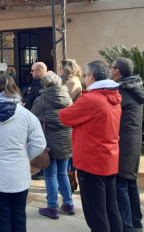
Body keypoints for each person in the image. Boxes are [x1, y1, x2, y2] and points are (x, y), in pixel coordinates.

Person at [0, 74, 46, 232]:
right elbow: (40, 143)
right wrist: (25, 156)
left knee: (1, 218)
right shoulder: (27, 115)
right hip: (20, 174)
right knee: (19, 216)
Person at [60, 60, 123, 232]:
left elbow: (65, 117)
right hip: (109, 158)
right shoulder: (114, 97)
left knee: (96, 214)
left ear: (92, 76)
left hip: (91, 161)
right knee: (111, 208)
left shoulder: (91, 99)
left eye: (86, 75)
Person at [110, 57, 144, 232]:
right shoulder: (135, 88)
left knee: (121, 184)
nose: (110, 70)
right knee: (130, 182)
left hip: (124, 142)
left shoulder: (121, 92)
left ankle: (126, 226)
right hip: (132, 141)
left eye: (111, 67)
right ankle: (136, 223)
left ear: (117, 71)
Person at [32, 73, 75, 220]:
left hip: (49, 141)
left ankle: (52, 207)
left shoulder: (41, 99)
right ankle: (68, 204)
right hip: (66, 140)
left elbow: (34, 120)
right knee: (62, 172)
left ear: (44, 85)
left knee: (50, 174)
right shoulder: (67, 97)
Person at [59, 58, 83, 192]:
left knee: (69, 152)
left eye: (61, 68)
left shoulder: (72, 82)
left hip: (69, 119)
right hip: (67, 118)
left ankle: (70, 181)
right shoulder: (68, 81)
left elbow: (65, 100)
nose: (59, 70)